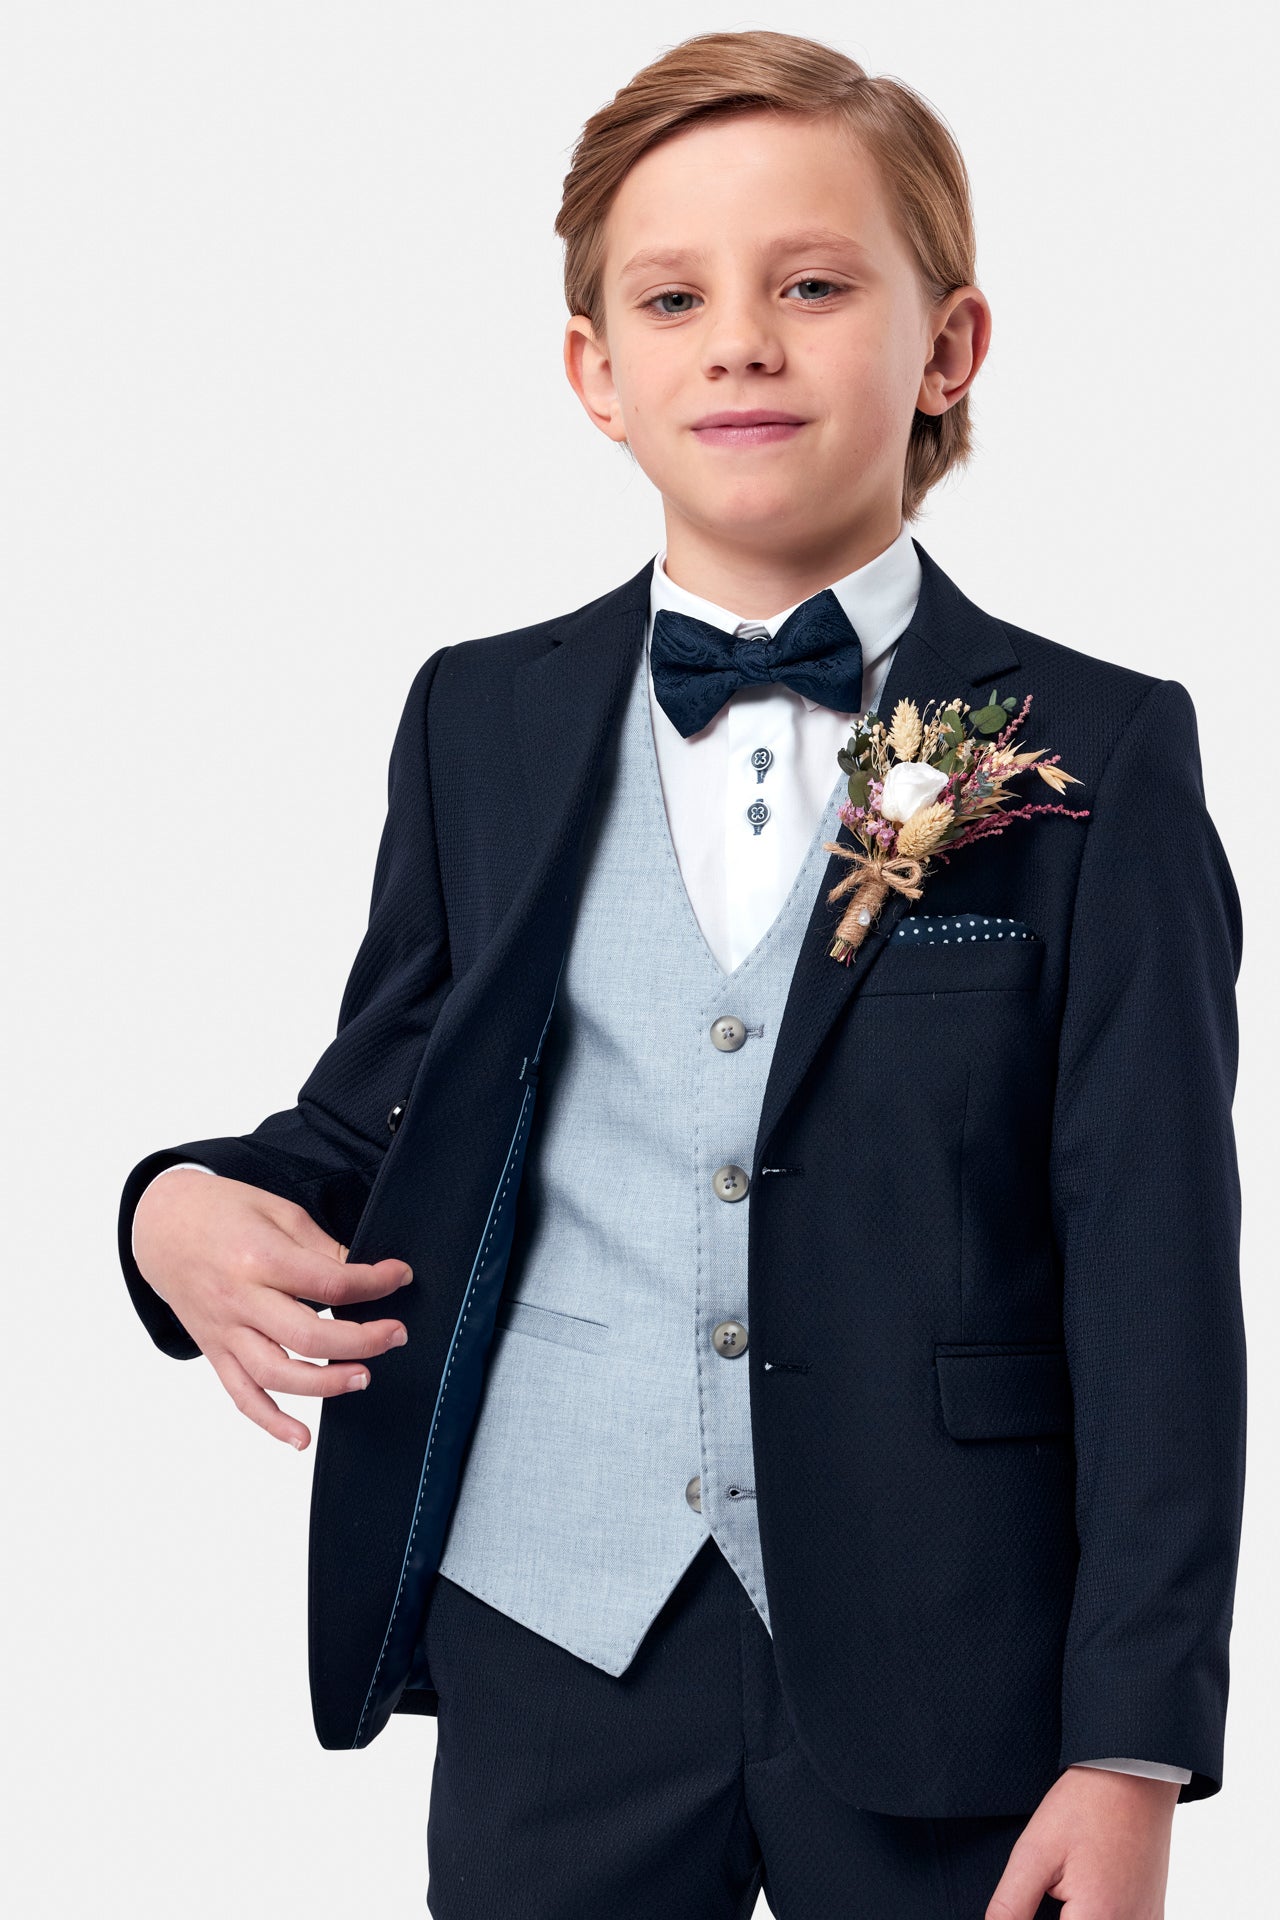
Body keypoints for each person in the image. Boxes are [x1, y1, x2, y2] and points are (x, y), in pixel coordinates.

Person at [120, 29, 1246, 1919]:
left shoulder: (1101, 752)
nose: (741, 340)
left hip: (952, 1655)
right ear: (597, 373)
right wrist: (175, 1206)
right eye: (674, 297)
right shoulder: (478, 717)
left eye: (813, 285)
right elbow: (384, 1101)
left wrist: (1131, 1741)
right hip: (555, 1633)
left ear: (949, 347)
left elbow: (1156, 1276)